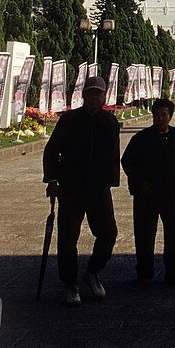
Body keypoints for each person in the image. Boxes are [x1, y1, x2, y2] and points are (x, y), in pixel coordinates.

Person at [42, 75, 120, 307]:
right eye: (90, 93)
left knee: (108, 233)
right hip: (71, 187)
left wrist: (110, 181)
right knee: (67, 238)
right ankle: (71, 284)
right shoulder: (70, 119)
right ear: (83, 95)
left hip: (98, 188)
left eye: (98, 94)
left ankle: (92, 272)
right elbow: (51, 150)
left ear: (104, 96)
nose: (94, 98)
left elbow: (113, 154)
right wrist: (52, 179)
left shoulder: (109, 121)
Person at [121, 97, 175, 287]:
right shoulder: (141, 138)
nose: (160, 119)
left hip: (170, 193)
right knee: (144, 234)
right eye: (157, 115)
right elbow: (127, 161)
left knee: (174, 234)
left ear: (170, 116)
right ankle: (144, 272)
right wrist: (139, 182)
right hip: (147, 194)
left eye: (164, 115)